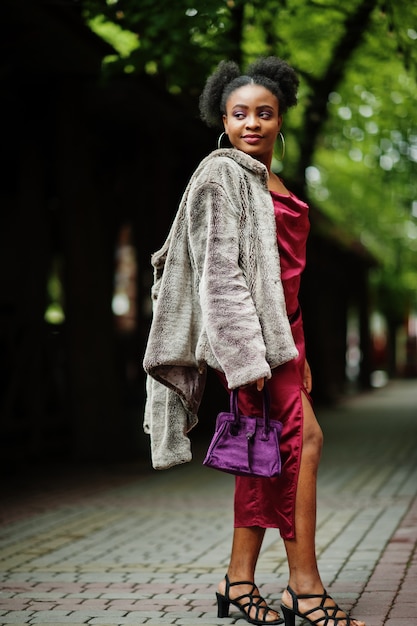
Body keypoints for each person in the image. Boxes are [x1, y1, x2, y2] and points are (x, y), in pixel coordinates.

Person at [143, 56, 365, 626]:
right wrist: (245, 358)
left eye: (264, 114)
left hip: (283, 342)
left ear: (280, 119)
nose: (252, 124)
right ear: (223, 118)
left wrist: (303, 353)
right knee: (302, 446)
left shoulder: (271, 180)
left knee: (260, 457)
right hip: (252, 348)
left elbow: (287, 280)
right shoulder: (220, 176)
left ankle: (238, 583)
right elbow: (220, 274)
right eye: (240, 113)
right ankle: (305, 589)